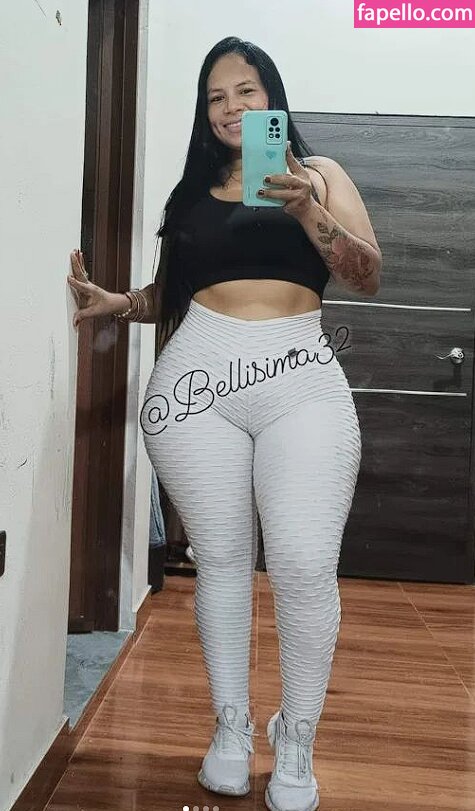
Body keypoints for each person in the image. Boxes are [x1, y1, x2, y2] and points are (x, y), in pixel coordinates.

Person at [68, 36, 382, 811]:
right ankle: (231, 726)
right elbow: (172, 291)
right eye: (215, 96)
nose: (231, 107)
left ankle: (295, 737)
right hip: (197, 379)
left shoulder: (320, 174)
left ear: (272, 97)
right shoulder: (189, 193)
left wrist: (306, 207)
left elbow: (365, 274)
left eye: (246, 91)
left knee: (303, 564)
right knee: (222, 562)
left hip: (297, 375)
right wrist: (120, 303)